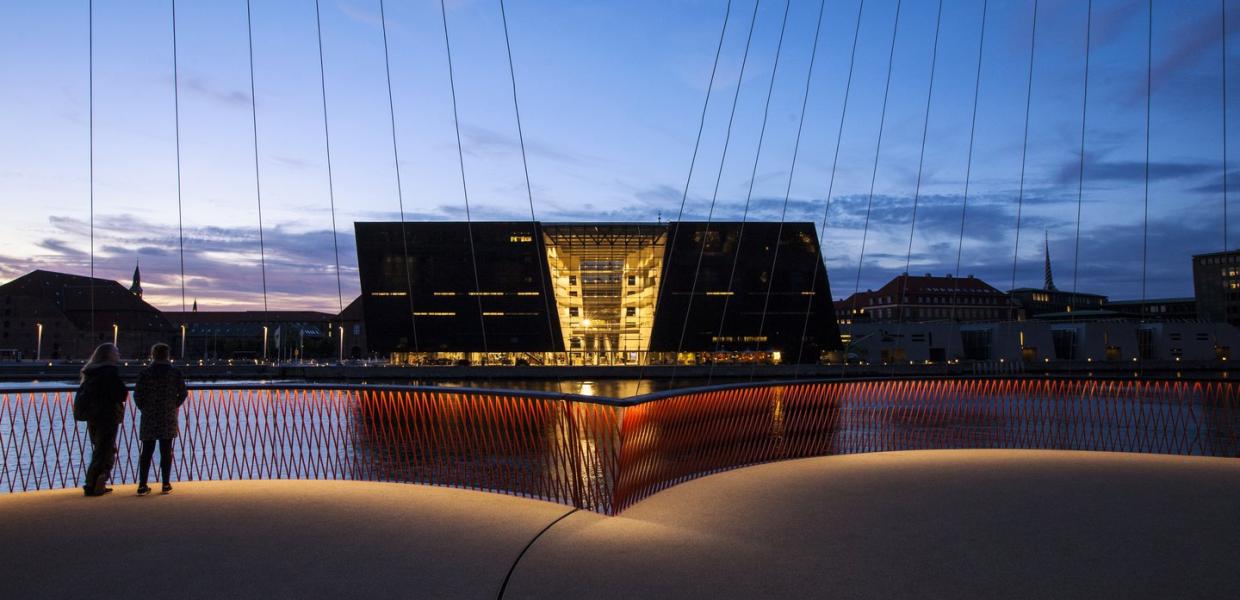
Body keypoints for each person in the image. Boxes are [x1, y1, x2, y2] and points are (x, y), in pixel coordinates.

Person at [133, 343, 187, 495]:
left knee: (147, 451)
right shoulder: (175, 373)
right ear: (168, 355)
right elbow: (183, 393)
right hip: (167, 414)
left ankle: (142, 485)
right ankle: (165, 484)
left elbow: (137, 394)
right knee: (166, 450)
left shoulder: (145, 373)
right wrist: (174, 405)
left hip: (149, 415)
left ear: (153, 355)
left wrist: (144, 407)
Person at [79, 343, 128, 496]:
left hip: (93, 414)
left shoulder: (90, 372)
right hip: (108, 414)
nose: (119, 354)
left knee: (100, 448)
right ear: (109, 355)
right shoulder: (109, 372)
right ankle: (95, 483)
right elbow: (120, 393)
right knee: (106, 449)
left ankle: (92, 482)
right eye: (116, 352)